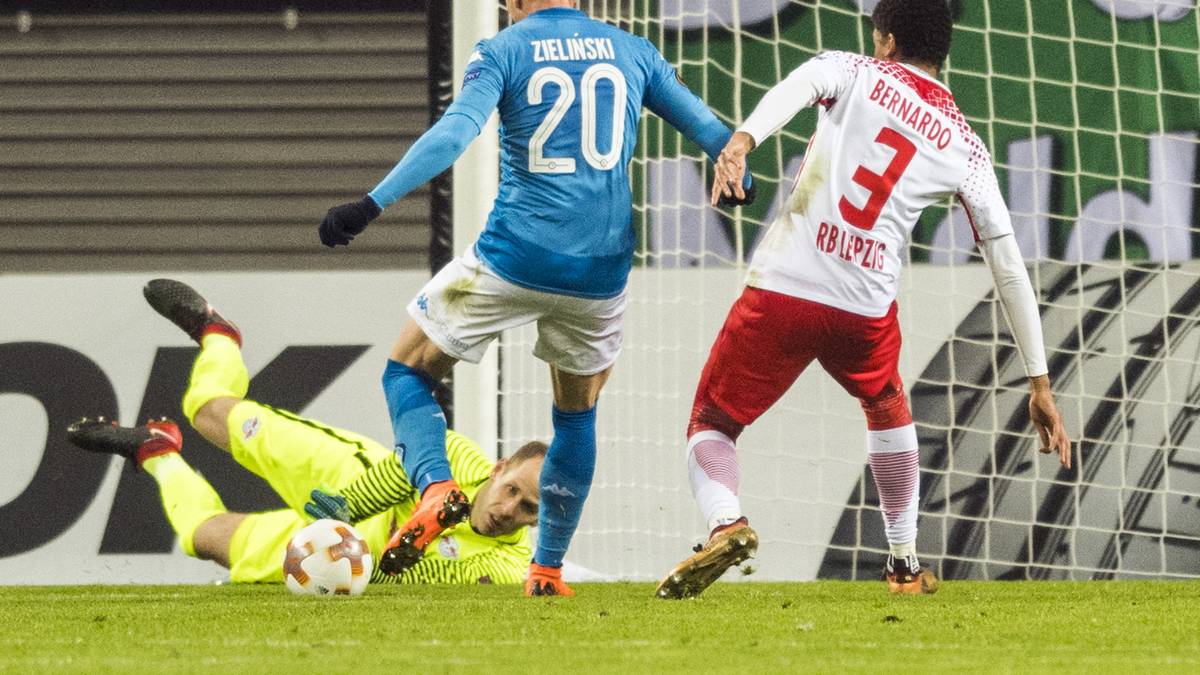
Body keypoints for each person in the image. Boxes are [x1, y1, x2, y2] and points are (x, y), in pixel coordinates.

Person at [315, 0, 753, 596]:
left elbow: (454, 134)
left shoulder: (503, 49)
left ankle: (439, 489)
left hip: (515, 254)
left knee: (406, 371)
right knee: (576, 413)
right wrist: (740, 176)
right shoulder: (632, 50)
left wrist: (372, 203)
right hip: (601, 270)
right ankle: (545, 569)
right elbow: (711, 132)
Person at [656, 0, 1072, 599]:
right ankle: (903, 562)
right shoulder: (965, 144)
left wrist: (743, 140)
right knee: (886, 406)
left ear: (886, 40)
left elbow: (798, 86)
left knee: (713, 422)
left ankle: (727, 522)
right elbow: (1006, 263)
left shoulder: (851, 69)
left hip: (786, 286)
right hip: (864, 307)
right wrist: (1039, 382)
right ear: (943, 51)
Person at [66, 279, 545, 585]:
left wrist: (402, 544)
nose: (508, 509)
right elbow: (408, 465)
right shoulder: (464, 461)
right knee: (208, 411)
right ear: (499, 468)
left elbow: (427, 582)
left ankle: (157, 452)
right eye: (511, 490)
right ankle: (219, 336)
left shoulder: (509, 567)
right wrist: (352, 508)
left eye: (528, 508)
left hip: (340, 558)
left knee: (203, 537)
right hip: (343, 477)